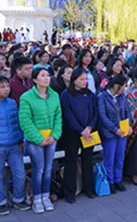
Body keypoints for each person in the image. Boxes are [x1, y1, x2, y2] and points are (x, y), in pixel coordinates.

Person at [19, 68, 62, 214]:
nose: (46, 78)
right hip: (35, 140)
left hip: (51, 138)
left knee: (48, 169)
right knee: (39, 170)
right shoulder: (27, 97)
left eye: (47, 75)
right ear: (35, 80)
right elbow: (25, 121)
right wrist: (38, 139)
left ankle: (46, 196)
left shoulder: (54, 95)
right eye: (42, 76)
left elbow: (58, 117)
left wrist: (55, 135)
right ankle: (36, 199)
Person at [60, 68, 98, 203]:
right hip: (72, 134)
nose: (84, 82)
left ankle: (89, 189)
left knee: (88, 160)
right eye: (81, 79)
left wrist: (89, 127)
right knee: (71, 161)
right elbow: (68, 115)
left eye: (86, 79)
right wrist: (80, 129)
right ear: (74, 80)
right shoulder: (66, 95)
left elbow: (95, 112)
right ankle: (69, 192)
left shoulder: (90, 94)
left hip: (89, 132)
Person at [98, 74, 133, 194]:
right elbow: (103, 117)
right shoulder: (102, 97)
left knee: (120, 156)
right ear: (116, 86)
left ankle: (118, 179)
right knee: (110, 157)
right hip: (109, 133)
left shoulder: (122, 96)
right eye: (123, 86)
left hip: (122, 131)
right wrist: (114, 129)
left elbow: (127, 111)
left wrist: (129, 125)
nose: (124, 89)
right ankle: (110, 181)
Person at [0, 76, 30, 215]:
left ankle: (18, 199)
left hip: (14, 145)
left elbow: (19, 123)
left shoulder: (12, 103)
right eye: (2, 87)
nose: (6, 89)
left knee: (20, 174)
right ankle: (2, 202)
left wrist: (21, 140)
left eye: (7, 86)